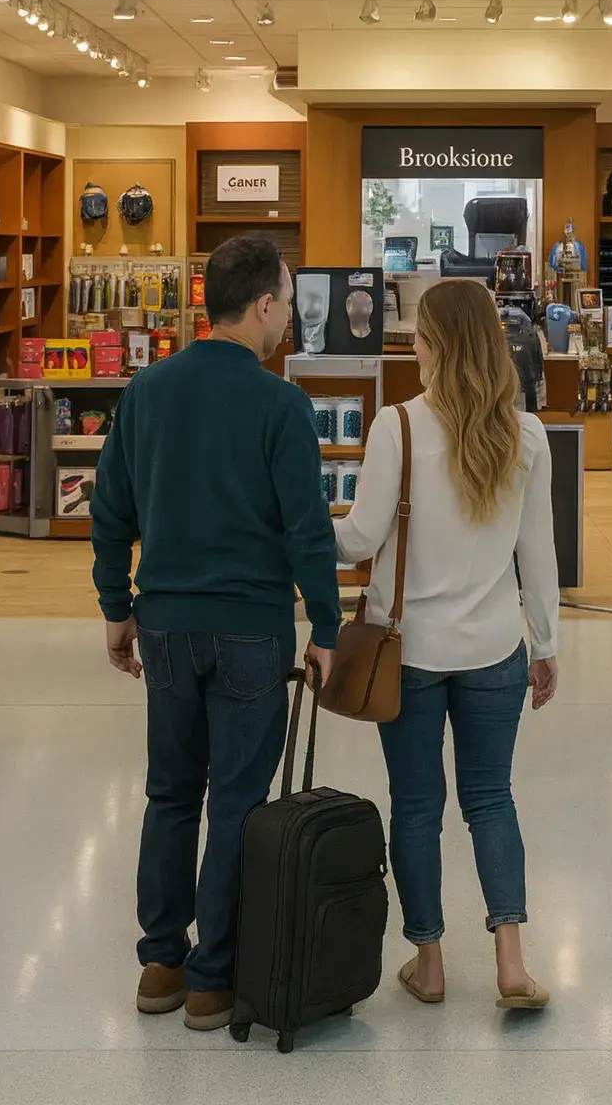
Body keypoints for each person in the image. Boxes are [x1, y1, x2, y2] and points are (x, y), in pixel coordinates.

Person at [91, 236, 340, 1032]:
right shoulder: (282, 405)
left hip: (164, 624)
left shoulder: (149, 390)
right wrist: (327, 625)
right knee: (236, 802)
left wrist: (115, 605)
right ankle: (211, 979)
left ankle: (160, 964)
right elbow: (307, 530)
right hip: (251, 635)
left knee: (169, 794)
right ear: (263, 303)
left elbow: (110, 509)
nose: (291, 317)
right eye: (289, 301)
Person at [335, 279, 560, 1009]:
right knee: (492, 800)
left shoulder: (396, 426)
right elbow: (539, 555)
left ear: (431, 345)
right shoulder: (525, 434)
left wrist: (293, 520)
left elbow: (361, 538)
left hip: (409, 652)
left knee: (417, 805)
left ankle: (429, 965)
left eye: (418, 338)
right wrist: (547, 644)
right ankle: (511, 965)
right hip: (495, 647)